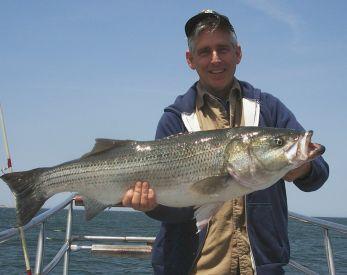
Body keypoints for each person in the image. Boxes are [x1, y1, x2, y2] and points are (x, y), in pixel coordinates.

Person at [122, 10, 329, 275]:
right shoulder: (175, 120)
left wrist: (305, 169)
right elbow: (174, 212)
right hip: (192, 267)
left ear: (238, 53)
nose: (215, 59)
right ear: (190, 59)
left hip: (261, 267)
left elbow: (319, 172)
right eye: (205, 51)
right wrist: (151, 206)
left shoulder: (270, 109)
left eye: (223, 49)